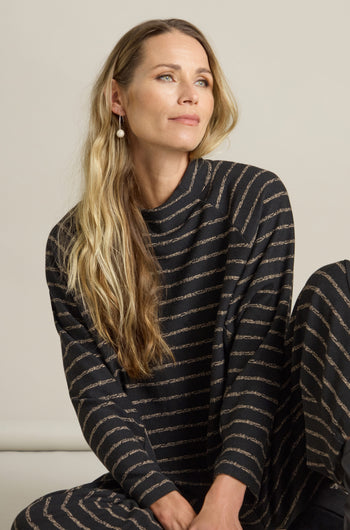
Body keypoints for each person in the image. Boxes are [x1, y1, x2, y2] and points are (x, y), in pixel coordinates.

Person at [11, 18, 350, 530]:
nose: (190, 95)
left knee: (338, 285)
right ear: (118, 98)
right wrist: (170, 506)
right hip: (168, 495)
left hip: (272, 472)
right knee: (41, 519)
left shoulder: (254, 198)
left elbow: (256, 367)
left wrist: (224, 504)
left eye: (203, 81)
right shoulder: (73, 244)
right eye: (168, 77)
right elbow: (97, 397)